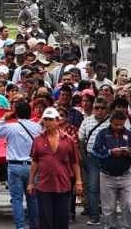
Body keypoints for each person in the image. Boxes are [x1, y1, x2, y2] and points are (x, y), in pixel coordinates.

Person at [28, 107, 83, 229]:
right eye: (45, 119)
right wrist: (31, 182)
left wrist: (78, 181)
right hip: (43, 185)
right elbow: (34, 162)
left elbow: (75, 162)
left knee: (62, 220)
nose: (47, 122)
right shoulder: (37, 140)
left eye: (50, 119)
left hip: (63, 185)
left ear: (57, 120)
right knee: (45, 220)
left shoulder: (68, 140)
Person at [0, 101, 42, 229]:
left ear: (16, 113)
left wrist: (4, 118)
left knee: (17, 199)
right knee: (33, 199)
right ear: (30, 112)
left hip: (14, 166)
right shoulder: (37, 127)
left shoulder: (11, 127)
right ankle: (34, 225)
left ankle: (20, 226)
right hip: (32, 166)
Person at [91, 110, 131, 229]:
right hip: (107, 176)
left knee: (129, 206)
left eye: (121, 124)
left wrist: (129, 152)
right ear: (111, 121)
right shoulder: (102, 134)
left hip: (126, 175)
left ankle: (126, 227)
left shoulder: (129, 134)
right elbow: (95, 151)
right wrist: (109, 152)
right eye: (116, 124)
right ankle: (109, 226)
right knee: (109, 209)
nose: (119, 127)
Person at [78, 96, 110, 225]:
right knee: (92, 187)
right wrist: (83, 158)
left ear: (107, 109)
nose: (99, 110)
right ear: (93, 108)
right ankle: (94, 216)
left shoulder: (111, 122)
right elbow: (81, 140)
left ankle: (109, 217)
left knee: (108, 189)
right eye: (97, 108)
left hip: (108, 158)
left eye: (103, 108)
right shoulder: (86, 121)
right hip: (91, 158)